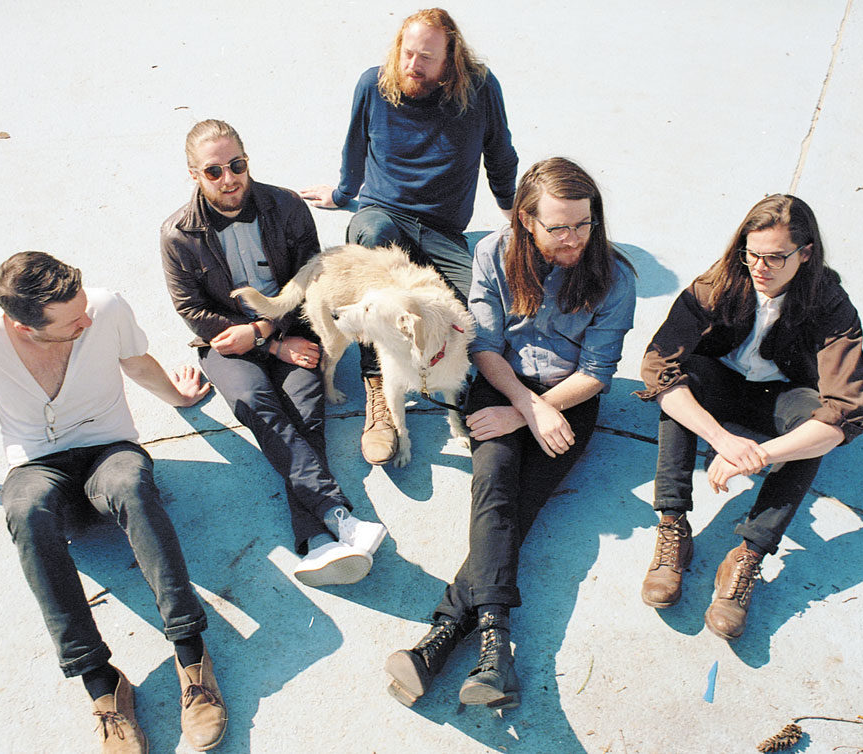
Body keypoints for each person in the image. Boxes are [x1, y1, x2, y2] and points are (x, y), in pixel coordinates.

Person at [0, 252, 228, 753]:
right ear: (23, 326)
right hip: (39, 465)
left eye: (83, 307)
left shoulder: (105, 308)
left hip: (110, 451)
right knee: (24, 511)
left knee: (132, 486)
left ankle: (191, 654)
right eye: (72, 321)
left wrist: (178, 398)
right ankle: (101, 682)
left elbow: (135, 362)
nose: (87, 320)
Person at [383, 158, 636, 709]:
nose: (574, 239)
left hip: (570, 399)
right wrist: (522, 406)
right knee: (494, 486)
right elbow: (485, 346)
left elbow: (597, 372)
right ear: (526, 219)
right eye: (559, 227)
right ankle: (495, 646)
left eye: (584, 223)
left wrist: (534, 413)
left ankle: (441, 638)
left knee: (519, 505)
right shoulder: (492, 254)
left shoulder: (616, 277)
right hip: (501, 386)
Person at [160, 119, 387, 588]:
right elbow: (192, 310)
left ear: (247, 161)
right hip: (227, 343)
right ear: (194, 175)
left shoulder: (285, 206)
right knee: (255, 404)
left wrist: (269, 333)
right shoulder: (177, 235)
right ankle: (339, 518)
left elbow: (311, 278)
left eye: (236, 165)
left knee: (304, 413)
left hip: (289, 325)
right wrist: (261, 342)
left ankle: (316, 542)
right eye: (213, 171)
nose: (228, 179)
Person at [636, 194, 863, 640]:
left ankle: (747, 555)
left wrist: (759, 455)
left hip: (780, 395)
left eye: (775, 257)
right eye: (752, 254)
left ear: (806, 253)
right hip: (720, 381)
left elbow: (845, 412)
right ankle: (672, 526)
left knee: (814, 429)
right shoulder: (721, 282)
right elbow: (657, 367)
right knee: (681, 386)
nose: (760, 267)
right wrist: (721, 440)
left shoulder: (830, 304)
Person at [301, 7, 519, 465]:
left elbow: (500, 154)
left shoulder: (480, 89)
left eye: (426, 58)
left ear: (451, 59)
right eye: (407, 53)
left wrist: (515, 217)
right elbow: (354, 147)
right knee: (374, 248)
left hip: (442, 228)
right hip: (384, 213)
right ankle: (379, 390)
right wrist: (342, 195)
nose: (412, 66)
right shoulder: (374, 84)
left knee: (477, 312)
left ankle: (470, 394)